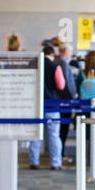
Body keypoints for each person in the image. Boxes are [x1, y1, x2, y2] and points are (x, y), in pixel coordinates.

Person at [28, 42, 66, 170]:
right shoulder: (56, 66)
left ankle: (34, 161)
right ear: (52, 55)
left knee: (35, 134)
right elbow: (61, 85)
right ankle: (56, 162)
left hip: (36, 104)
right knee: (54, 134)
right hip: (52, 104)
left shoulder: (34, 66)